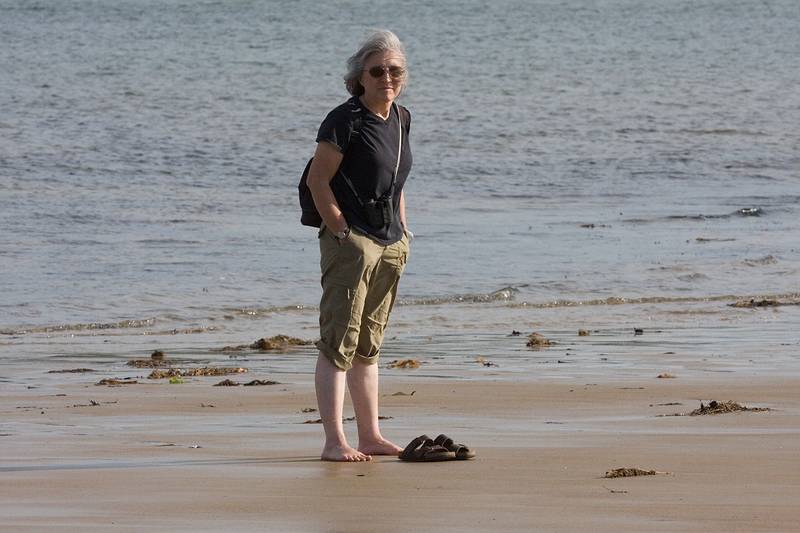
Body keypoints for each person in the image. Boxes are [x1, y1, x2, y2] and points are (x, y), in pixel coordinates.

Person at [306, 30, 412, 462]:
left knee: (369, 345)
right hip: (352, 243)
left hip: (390, 243)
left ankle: (370, 435)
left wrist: (404, 228)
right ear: (360, 78)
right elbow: (318, 179)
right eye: (378, 70)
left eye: (395, 70)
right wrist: (340, 231)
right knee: (338, 343)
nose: (387, 77)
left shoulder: (401, 117)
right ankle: (335, 441)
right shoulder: (344, 120)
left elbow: (396, 179)